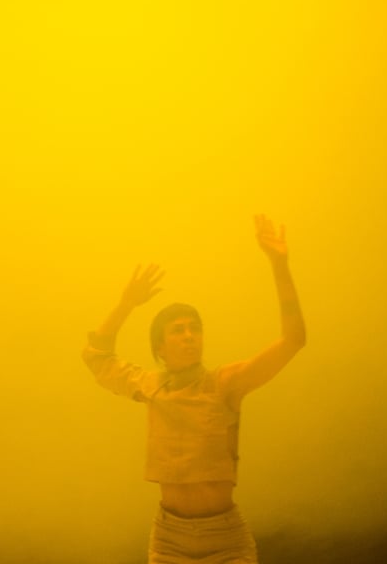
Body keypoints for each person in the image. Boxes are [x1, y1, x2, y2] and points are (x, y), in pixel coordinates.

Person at [82, 214, 306, 563]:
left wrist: (279, 264)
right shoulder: (151, 385)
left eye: (194, 329)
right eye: (178, 330)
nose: (189, 336)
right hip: (171, 540)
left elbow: (293, 340)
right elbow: (97, 358)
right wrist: (126, 304)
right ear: (160, 347)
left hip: (225, 539)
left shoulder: (224, 383)